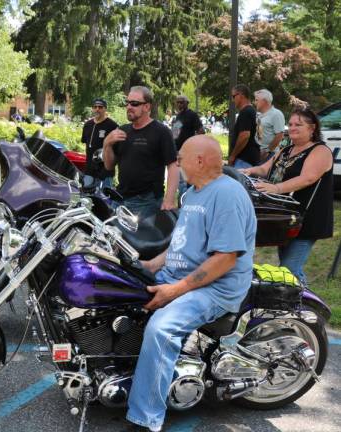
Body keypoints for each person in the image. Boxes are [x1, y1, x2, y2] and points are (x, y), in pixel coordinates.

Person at [126, 135, 257, 432]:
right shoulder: (196, 192)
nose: (177, 162)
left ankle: (146, 419)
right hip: (181, 277)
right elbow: (182, 245)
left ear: (199, 160)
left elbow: (225, 259)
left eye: (181, 157)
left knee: (162, 328)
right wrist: (148, 266)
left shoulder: (227, 195)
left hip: (216, 287)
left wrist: (174, 290)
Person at [240, 107, 333, 285]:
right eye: (290, 124)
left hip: (307, 218)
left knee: (289, 269)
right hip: (285, 217)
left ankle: (304, 306)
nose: (292, 127)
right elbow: (265, 168)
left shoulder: (320, 151)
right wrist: (248, 170)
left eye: (298, 124)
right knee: (287, 268)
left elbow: (308, 178)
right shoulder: (286, 150)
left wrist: (276, 188)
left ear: (312, 128)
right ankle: (298, 304)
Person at [103, 86, 179, 219]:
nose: (129, 106)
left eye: (134, 103)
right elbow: (109, 166)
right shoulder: (122, 131)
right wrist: (107, 145)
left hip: (146, 202)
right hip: (120, 199)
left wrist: (169, 199)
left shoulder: (161, 132)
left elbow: (173, 166)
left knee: (139, 240)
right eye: (127, 103)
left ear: (147, 107)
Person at [81, 98, 118, 191]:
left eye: (100, 107)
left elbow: (117, 149)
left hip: (105, 171)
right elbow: (86, 144)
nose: (97, 109)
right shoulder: (87, 125)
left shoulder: (112, 126)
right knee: (87, 197)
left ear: (105, 109)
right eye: (95, 107)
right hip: (89, 170)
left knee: (104, 199)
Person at [171, 94, 204, 197]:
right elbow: (175, 134)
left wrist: (194, 145)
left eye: (182, 102)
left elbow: (201, 131)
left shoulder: (192, 115)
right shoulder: (178, 116)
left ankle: (187, 200)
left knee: (187, 179)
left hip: (188, 152)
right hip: (178, 151)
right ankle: (183, 201)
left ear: (187, 103)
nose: (179, 104)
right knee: (181, 180)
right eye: (178, 102)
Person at [228, 84, 260, 168]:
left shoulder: (246, 112)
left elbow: (244, 135)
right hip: (249, 158)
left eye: (233, 96)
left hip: (244, 160)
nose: (232, 100)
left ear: (241, 95)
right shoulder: (251, 111)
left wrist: (233, 155)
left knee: (239, 181)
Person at [254, 89, 285, 162]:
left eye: (256, 100)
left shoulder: (276, 114)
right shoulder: (259, 115)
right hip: (257, 152)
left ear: (264, 101)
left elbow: (280, 135)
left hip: (270, 155)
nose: (255, 102)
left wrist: (267, 151)